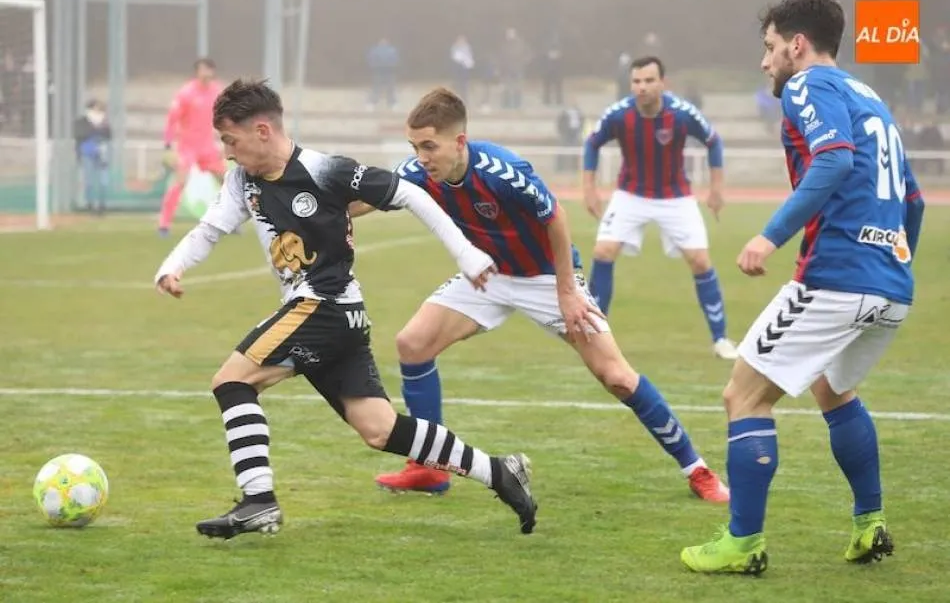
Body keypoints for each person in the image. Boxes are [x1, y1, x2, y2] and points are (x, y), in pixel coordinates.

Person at [153, 79, 537, 540]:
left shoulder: (323, 169)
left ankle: (258, 500)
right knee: (380, 429)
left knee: (232, 380)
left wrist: (466, 255)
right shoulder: (242, 180)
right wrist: (172, 266)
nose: (227, 153)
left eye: (230, 140)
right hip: (344, 316)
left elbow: (410, 193)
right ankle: (499, 472)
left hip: (323, 307)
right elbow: (210, 229)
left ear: (261, 131)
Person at [352, 87, 729, 503]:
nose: (422, 157)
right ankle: (429, 467)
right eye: (415, 147)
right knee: (413, 343)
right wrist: (319, 205)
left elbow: (555, 218)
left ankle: (698, 470)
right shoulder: (419, 172)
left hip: (547, 277)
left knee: (617, 377)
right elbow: (366, 200)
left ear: (459, 141)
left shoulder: (502, 170)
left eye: (429, 146)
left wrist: (567, 291)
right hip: (489, 275)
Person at [680, 0, 926, 575]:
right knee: (832, 390)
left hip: (838, 277)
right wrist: (894, 262)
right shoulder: (872, 98)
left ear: (797, 45)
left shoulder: (807, 85)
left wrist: (770, 235)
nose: (765, 62)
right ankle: (870, 524)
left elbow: (834, 159)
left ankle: (743, 542)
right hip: (891, 284)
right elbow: (913, 199)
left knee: (743, 395)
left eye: (769, 48)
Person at [582, 56, 739, 360]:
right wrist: (589, 189)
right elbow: (592, 144)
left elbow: (713, 141)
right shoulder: (619, 114)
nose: (642, 87)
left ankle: (720, 339)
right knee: (602, 252)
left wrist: (716, 188)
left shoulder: (681, 114)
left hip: (675, 197)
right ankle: (594, 336)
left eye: (649, 81)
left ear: (662, 83)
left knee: (700, 261)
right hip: (630, 195)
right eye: (637, 81)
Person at [157, 58, 227, 236]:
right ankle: (164, 224)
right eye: (202, 70)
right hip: (187, 147)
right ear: (197, 72)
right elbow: (172, 119)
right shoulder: (186, 93)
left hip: (207, 146)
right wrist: (168, 145)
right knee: (180, 181)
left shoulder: (217, 91)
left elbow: (225, 116)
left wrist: (225, 140)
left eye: (209, 70)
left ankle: (228, 220)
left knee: (226, 181)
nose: (206, 73)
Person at [73, 99, 111, 215]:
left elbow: (109, 135)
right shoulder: (81, 122)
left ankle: (101, 204)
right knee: (88, 180)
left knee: (103, 180)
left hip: (102, 153)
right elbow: (79, 134)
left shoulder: (104, 122)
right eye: (96, 108)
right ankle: (90, 204)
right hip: (87, 152)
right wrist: (95, 128)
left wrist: (102, 127)